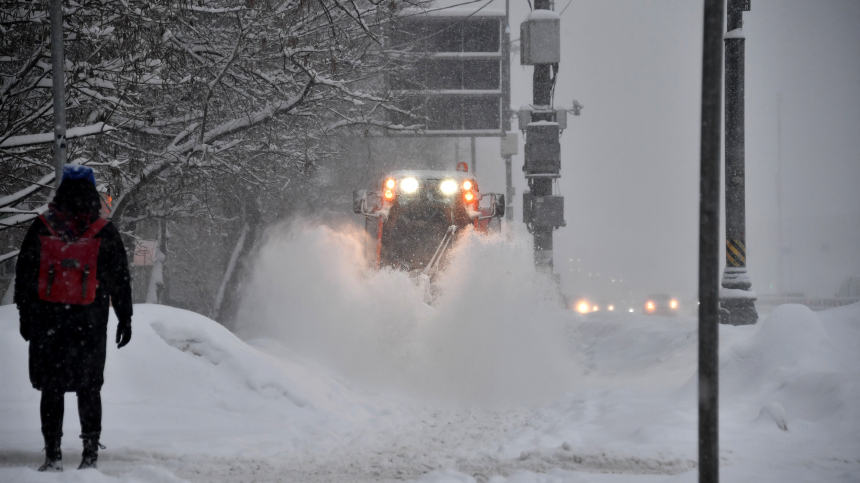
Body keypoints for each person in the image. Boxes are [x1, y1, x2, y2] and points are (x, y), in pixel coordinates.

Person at [14, 165, 133, 472]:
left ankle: (52, 454)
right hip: (90, 323)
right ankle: (89, 455)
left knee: (51, 389)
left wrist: (25, 316)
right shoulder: (102, 229)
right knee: (89, 388)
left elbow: (25, 276)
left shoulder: (42, 227)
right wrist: (125, 318)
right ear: (93, 193)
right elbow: (120, 278)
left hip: (48, 322)